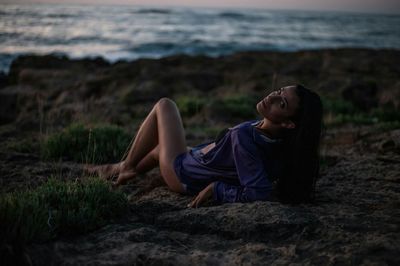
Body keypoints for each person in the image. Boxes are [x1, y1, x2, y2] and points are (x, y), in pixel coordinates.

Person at [85, 84, 323, 207]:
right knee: (157, 150)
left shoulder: (245, 137)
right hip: (198, 158)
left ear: (290, 124)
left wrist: (216, 189)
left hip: (183, 172)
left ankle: (125, 166)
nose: (271, 96)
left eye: (280, 103)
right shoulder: (284, 141)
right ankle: (119, 169)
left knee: (165, 105)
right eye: (279, 91)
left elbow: (257, 192)